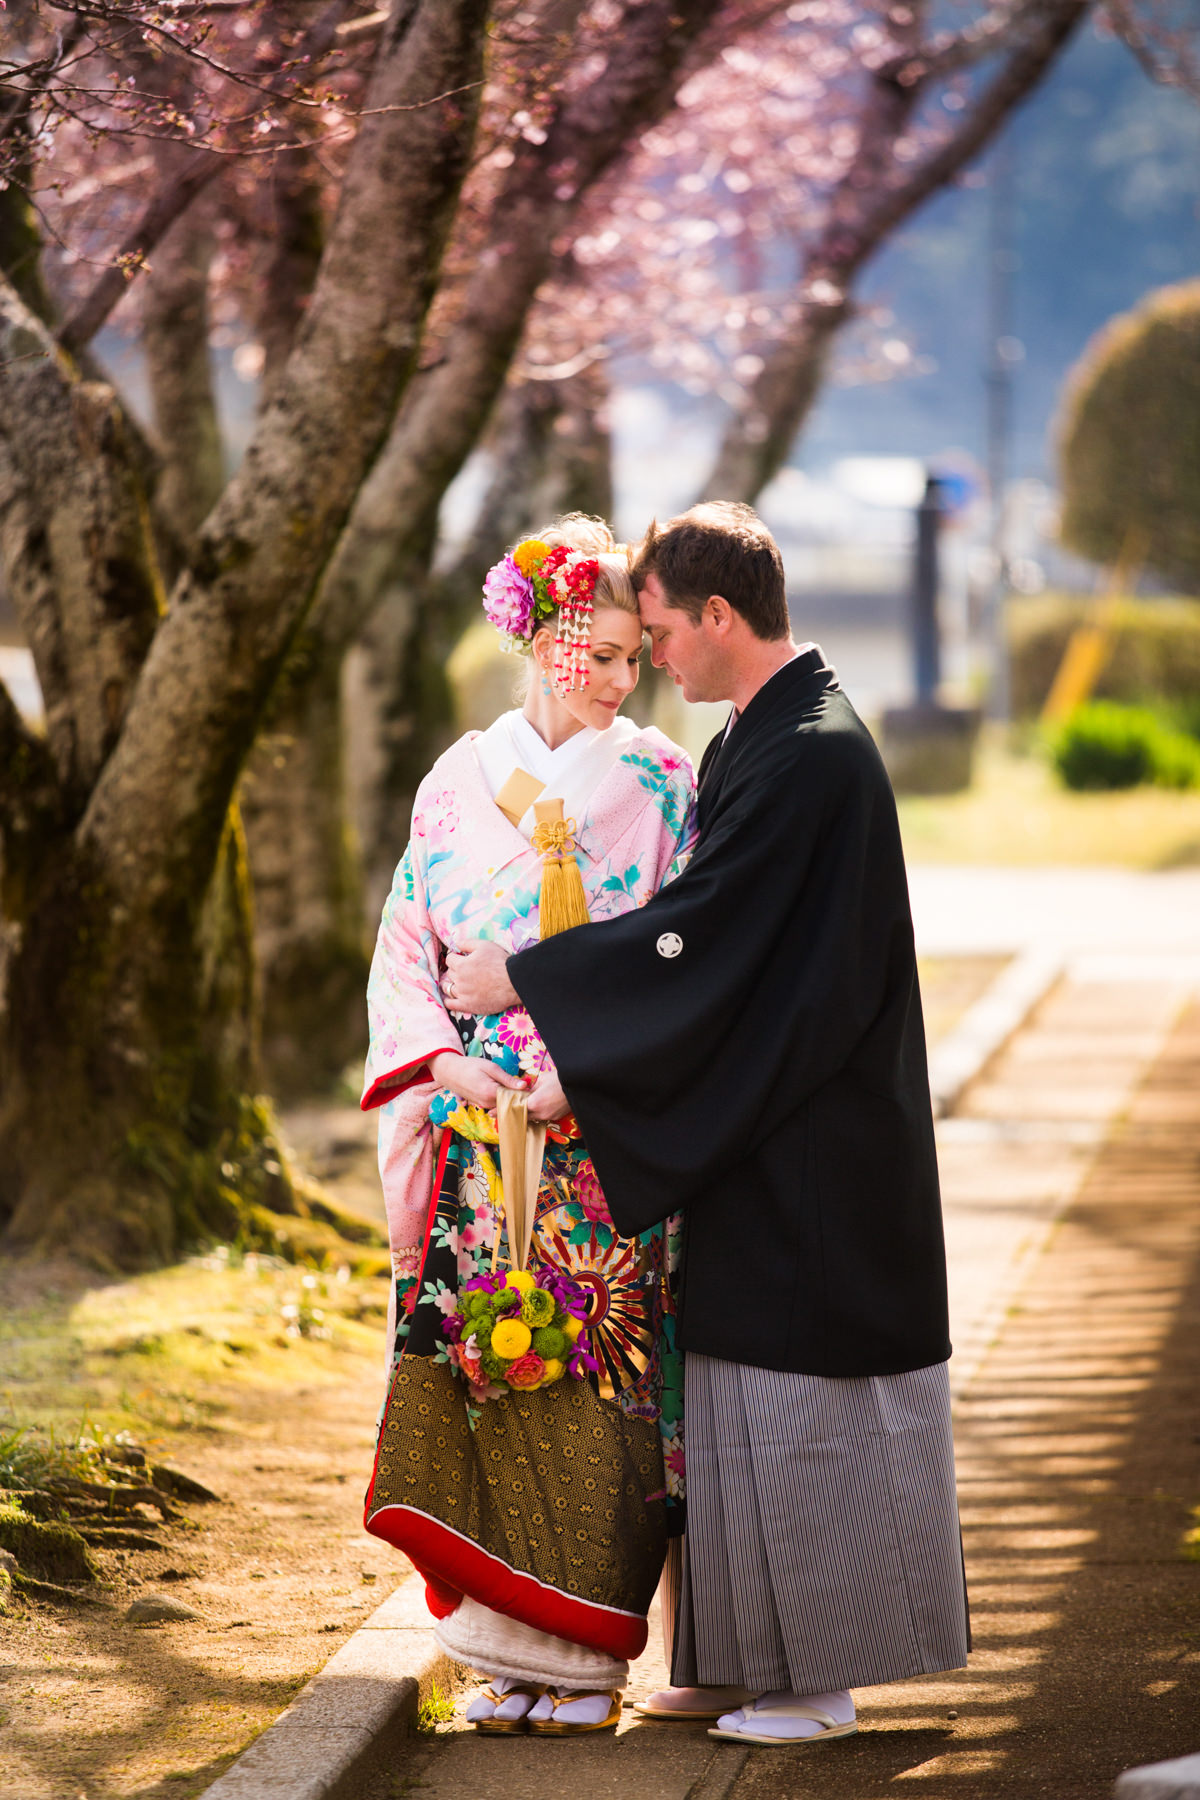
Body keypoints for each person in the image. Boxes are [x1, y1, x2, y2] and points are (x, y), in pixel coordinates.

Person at [445, 500, 971, 1749]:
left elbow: (712, 940)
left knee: (806, 1400)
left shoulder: (815, 754)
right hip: (765, 1119)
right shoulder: (764, 736)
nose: (656, 657)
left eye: (666, 630)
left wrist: (532, 981)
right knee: (732, 1401)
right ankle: (739, 1661)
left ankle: (816, 1683)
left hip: (819, 1137)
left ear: (721, 617)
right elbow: (713, 946)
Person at [360, 515, 694, 1737]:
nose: (619, 679)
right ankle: (497, 1656)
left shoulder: (662, 781)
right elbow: (409, 943)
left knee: (598, 1377)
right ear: (542, 638)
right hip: (474, 1122)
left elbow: (681, 959)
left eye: (630, 658)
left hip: (593, 1125)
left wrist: (585, 1069)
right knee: (486, 1374)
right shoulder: (456, 779)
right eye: (596, 654)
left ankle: (589, 1661)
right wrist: (445, 1059)